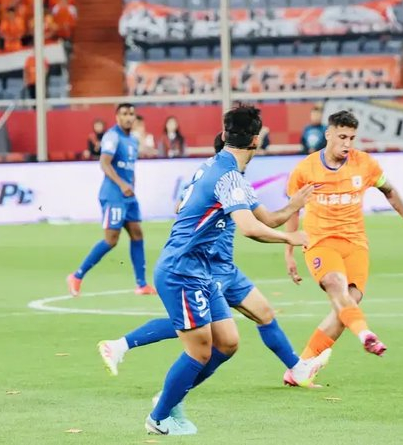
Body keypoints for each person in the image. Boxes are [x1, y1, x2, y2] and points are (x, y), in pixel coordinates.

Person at [98, 133, 330, 389]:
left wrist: (293, 206)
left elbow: (268, 219)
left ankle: (297, 369)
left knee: (263, 313)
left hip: (227, 268)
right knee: (194, 325)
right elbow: (189, 209)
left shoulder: (236, 181)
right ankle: (120, 346)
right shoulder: (218, 177)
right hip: (208, 267)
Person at [143, 106, 322, 436]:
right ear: (256, 140)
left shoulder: (219, 168)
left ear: (225, 134)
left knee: (227, 343)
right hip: (181, 271)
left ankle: (170, 398)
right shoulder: (228, 178)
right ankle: (160, 416)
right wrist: (291, 237)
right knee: (199, 350)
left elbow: (266, 218)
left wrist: (293, 206)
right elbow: (250, 228)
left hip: (201, 271)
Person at [283, 110, 403, 385]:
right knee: (336, 286)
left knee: (346, 306)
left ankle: (299, 368)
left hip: (355, 245)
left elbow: (389, 190)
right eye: (342, 137)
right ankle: (366, 334)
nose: (347, 143)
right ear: (328, 134)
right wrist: (289, 251)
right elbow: (293, 210)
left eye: (351, 138)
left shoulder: (364, 164)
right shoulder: (305, 170)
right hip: (320, 243)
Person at [67, 104, 156, 296]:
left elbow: (130, 168)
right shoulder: (112, 136)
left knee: (137, 233)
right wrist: (122, 185)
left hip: (128, 196)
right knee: (111, 240)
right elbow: (104, 163)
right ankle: (77, 276)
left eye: (131, 114)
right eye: (124, 114)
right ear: (117, 117)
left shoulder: (133, 140)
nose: (128, 117)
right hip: (114, 195)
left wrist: (131, 187)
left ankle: (141, 284)